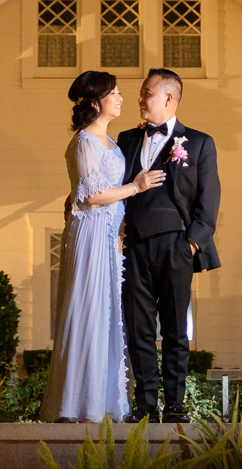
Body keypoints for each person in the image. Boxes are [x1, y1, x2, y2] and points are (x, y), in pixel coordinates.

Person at [41, 70, 164, 422]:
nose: (121, 97)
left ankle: (105, 402)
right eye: (114, 93)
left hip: (109, 238)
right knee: (89, 310)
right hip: (90, 236)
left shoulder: (109, 142)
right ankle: (78, 405)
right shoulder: (84, 141)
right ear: (96, 102)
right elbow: (93, 195)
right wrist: (136, 187)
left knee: (108, 315)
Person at [118, 68, 221, 423]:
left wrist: (192, 244)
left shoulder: (199, 142)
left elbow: (208, 202)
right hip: (135, 247)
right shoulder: (126, 138)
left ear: (168, 98)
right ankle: (145, 404)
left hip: (177, 244)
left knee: (177, 329)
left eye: (146, 93)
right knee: (138, 327)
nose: (140, 99)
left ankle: (175, 405)